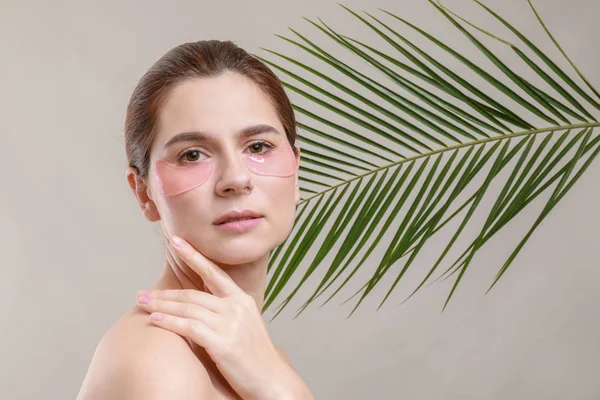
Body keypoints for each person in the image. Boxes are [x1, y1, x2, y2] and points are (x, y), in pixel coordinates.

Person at [77, 40, 314, 399]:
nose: (235, 179)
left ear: (296, 171)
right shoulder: (157, 363)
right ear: (143, 192)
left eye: (258, 147)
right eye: (192, 155)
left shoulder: (259, 360)